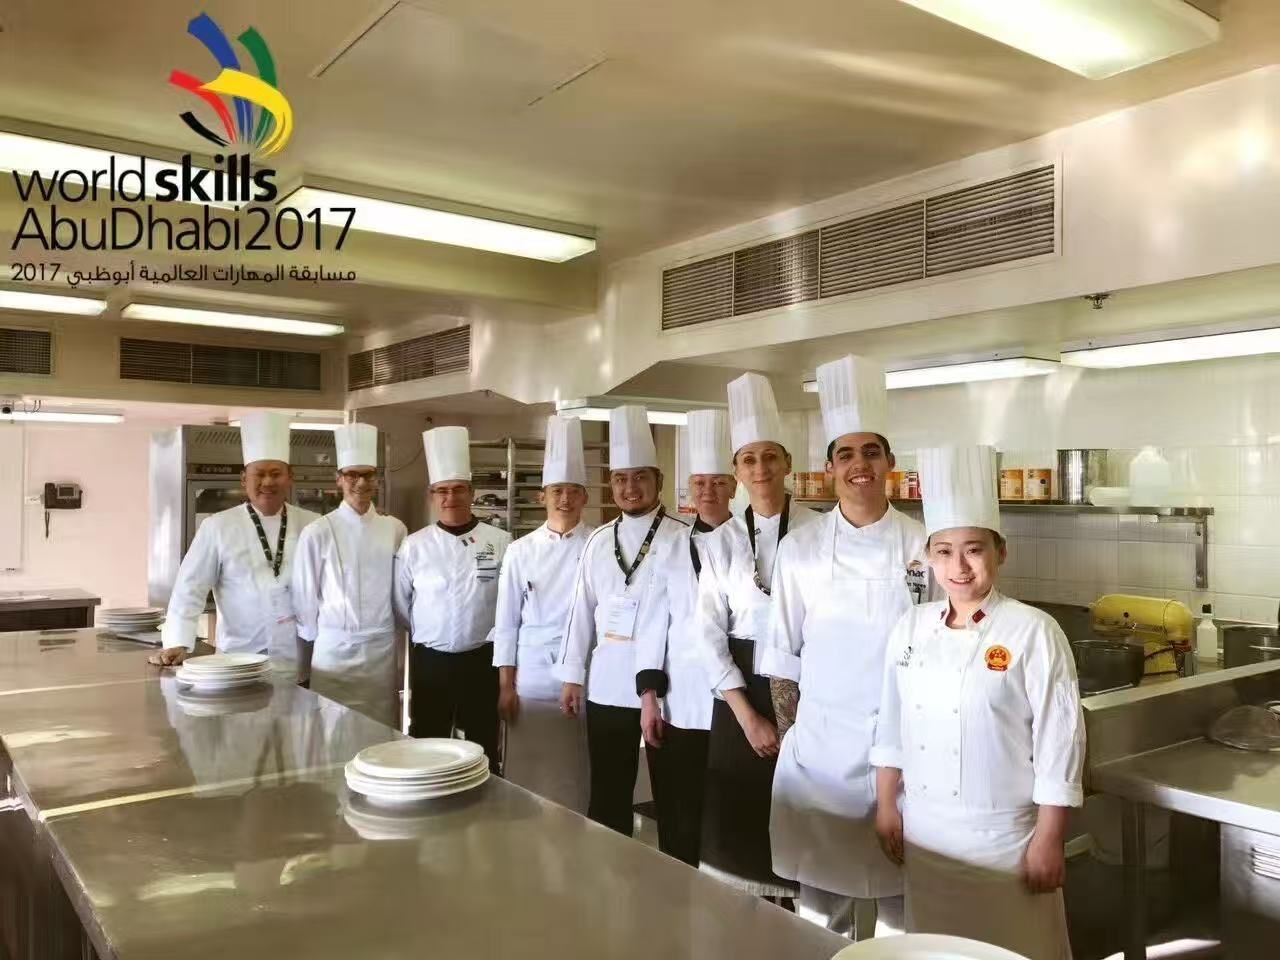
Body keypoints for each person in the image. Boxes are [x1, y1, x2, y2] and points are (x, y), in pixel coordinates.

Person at [872, 445, 1085, 960]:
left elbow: (1060, 741)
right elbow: (892, 724)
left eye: (974, 550)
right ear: (929, 557)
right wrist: (885, 805)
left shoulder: (1033, 630)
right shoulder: (911, 626)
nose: (959, 567)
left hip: (1003, 841)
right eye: (944, 552)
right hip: (926, 835)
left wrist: (1049, 837)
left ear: (1000, 552)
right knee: (935, 952)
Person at [765, 354, 929, 939]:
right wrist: (793, 737)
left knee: (905, 909)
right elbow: (782, 656)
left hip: (907, 747)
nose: (860, 465)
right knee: (819, 911)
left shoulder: (925, 545)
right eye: (847, 454)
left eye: (872, 452)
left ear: (889, 463)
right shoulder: (801, 549)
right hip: (822, 752)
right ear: (830, 467)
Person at [696, 373, 820, 898]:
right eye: (749, 459)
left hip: (811, 680)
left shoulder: (821, 530)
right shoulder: (720, 542)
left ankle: (807, 913)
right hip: (741, 686)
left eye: (770, 456)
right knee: (740, 809)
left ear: (787, 463)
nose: (761, 468)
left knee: (804, 803)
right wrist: (747, 716)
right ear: (737, 471)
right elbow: (708, 635)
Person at [556, 405, 687, 836]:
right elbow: (581, 611)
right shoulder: (597, 540)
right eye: (620, 478)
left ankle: (671, 868)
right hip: (608, 682)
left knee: (670, 793)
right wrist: (572, 676)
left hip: (668, 686)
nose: (630, 488)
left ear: (659, 481)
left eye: (640, 477)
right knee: (608, 790)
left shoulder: (684, 535)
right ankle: (604, 867)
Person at [636, 408, 736, 866]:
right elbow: (652, 623)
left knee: (726, 815)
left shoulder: (749, 544)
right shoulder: (670, 545)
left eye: (717, 482)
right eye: (699, 483)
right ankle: (676, 888)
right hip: (678, 700)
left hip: (734, 703)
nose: (708, 491)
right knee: (677, 812)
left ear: (733, 486)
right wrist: (649, 699)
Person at [153, 411, 320, 673]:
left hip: (304, 658)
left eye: (276, 473)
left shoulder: (314, 525)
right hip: (238, 661)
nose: (267, 482)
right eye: (259, 474)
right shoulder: (218, 527)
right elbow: (191, 588)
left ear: (290, 477)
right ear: (244, 479)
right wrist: (178, 642)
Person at [395, 426, 512, 769]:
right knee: (426, 746)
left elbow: (508, 606)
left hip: (482, 661)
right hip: (431, 663)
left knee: (484, 745)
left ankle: (488, 800)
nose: (451, 497)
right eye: (442, 490)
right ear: (432, 496)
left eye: (459, 489)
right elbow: (402, 605)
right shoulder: (414, 545)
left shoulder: (500, 541)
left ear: (472, 492)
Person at [493, 415, 594, 811]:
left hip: (583, 676)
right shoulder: (520, 551)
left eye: (573, 491)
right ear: (542, 497)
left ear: (584, 497)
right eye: (556, 490)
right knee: (527, 777)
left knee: (575, 774)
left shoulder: (599, 544)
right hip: (531, 679)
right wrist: (506, 685)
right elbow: (506, 622)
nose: (564, 498)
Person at [291, 423, 406, 727]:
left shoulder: (394, 529)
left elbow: (401, 590)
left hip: (380, 650)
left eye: (368, 475)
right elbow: (304, 593)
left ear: (377, 479)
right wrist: (316, 637)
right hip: (334, 651)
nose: (361, 482)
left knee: (381, 732)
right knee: (332, 730)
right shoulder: (318, 531)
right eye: (353, 475)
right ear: (339, 478)